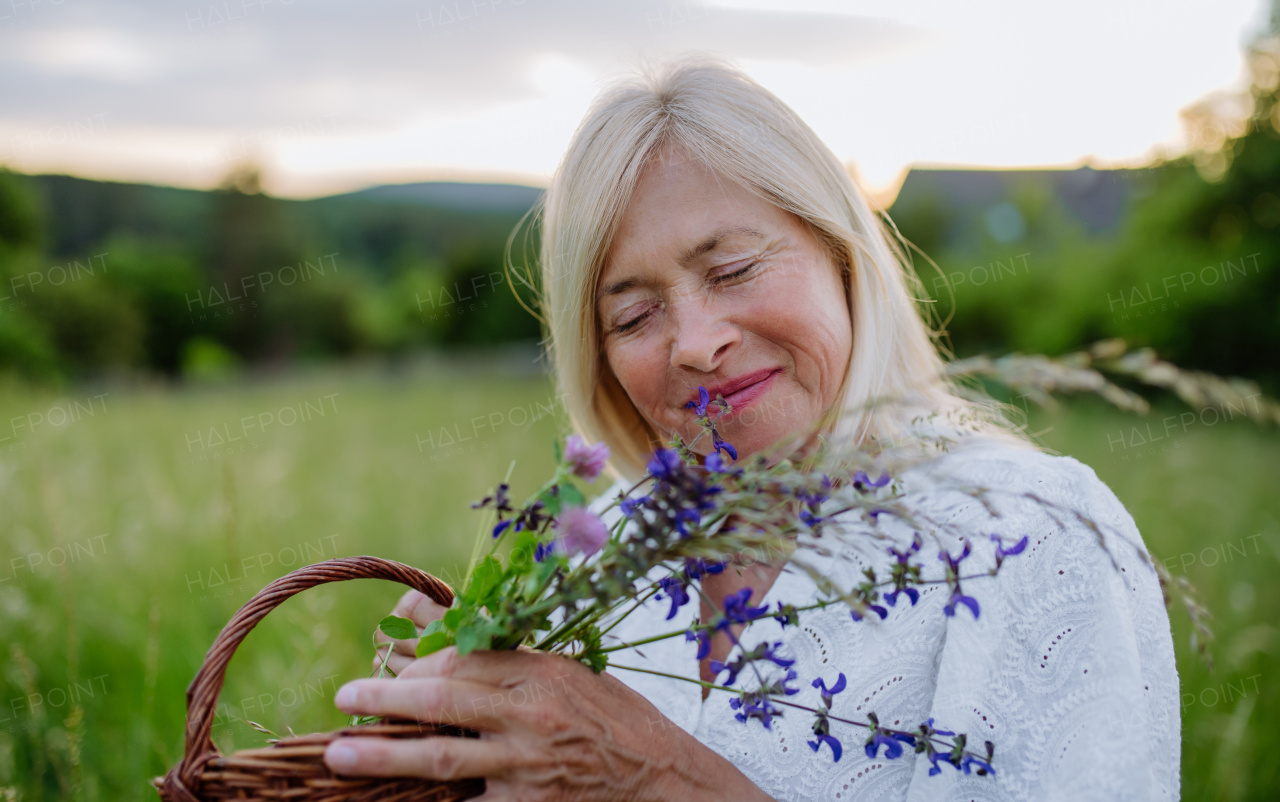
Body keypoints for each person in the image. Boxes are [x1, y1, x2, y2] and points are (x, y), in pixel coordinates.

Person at [323, 55, 1180, 800]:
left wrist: (659, 782)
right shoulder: (593, 554)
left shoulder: (1033, 531)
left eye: (731, 268)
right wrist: (464, 739)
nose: (696, 343)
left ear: (842, 254)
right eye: (633, 316)